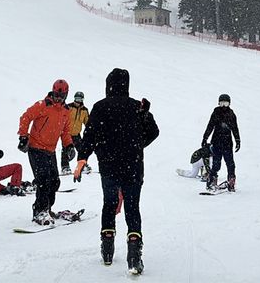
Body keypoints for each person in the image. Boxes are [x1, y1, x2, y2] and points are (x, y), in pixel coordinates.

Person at [74, 68, 159, 274]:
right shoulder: (137, 107)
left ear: (108, 84)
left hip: (109, 165)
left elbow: (90, 137)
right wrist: (138, 143)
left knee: (109, 204)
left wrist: (82, 159)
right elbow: (154, 132)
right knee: (132, 207)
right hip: (133, 165)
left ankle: (108, 247)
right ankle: (134, 253)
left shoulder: (100, 107)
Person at [17, 79, 73, 226]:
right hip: (36, 149)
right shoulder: (42, 105)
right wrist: (23, 136)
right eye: (56, 95)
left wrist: (69, 146)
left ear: (66, 95)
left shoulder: (66, 111)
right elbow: (25, 117)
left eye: (61, 96)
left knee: (54, 181)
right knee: (43, 180)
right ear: (52, 92)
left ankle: (47, 209)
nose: (58, 98)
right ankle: (39, 211)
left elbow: (66, 132)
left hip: (50, 151)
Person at [202, 93, 241, 192]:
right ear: (218, 103)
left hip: (227, 144)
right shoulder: (216, 113)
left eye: (226, 103)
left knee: (230, 164)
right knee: (216, 164)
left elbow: (235, 129)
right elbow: (210, 126)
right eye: (222, 103)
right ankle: (211, 181)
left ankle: (231, 182)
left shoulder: (231, 114)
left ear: (229, 104)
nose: (223, 106)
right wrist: (205, 138)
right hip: (216, 143)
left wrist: (237, 140)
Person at [61, 91, 90, 174]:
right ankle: (65, 167)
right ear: (74, 98)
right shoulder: (69, 107)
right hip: (67, 133)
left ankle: (82, 166)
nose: (78, 101)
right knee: (66, 150)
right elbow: (63, 117)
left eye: (80, 99)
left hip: (76, 134)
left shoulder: (84, 110)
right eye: (77, 99)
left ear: (82, 100)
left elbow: (87, 122)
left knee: (81, 150)